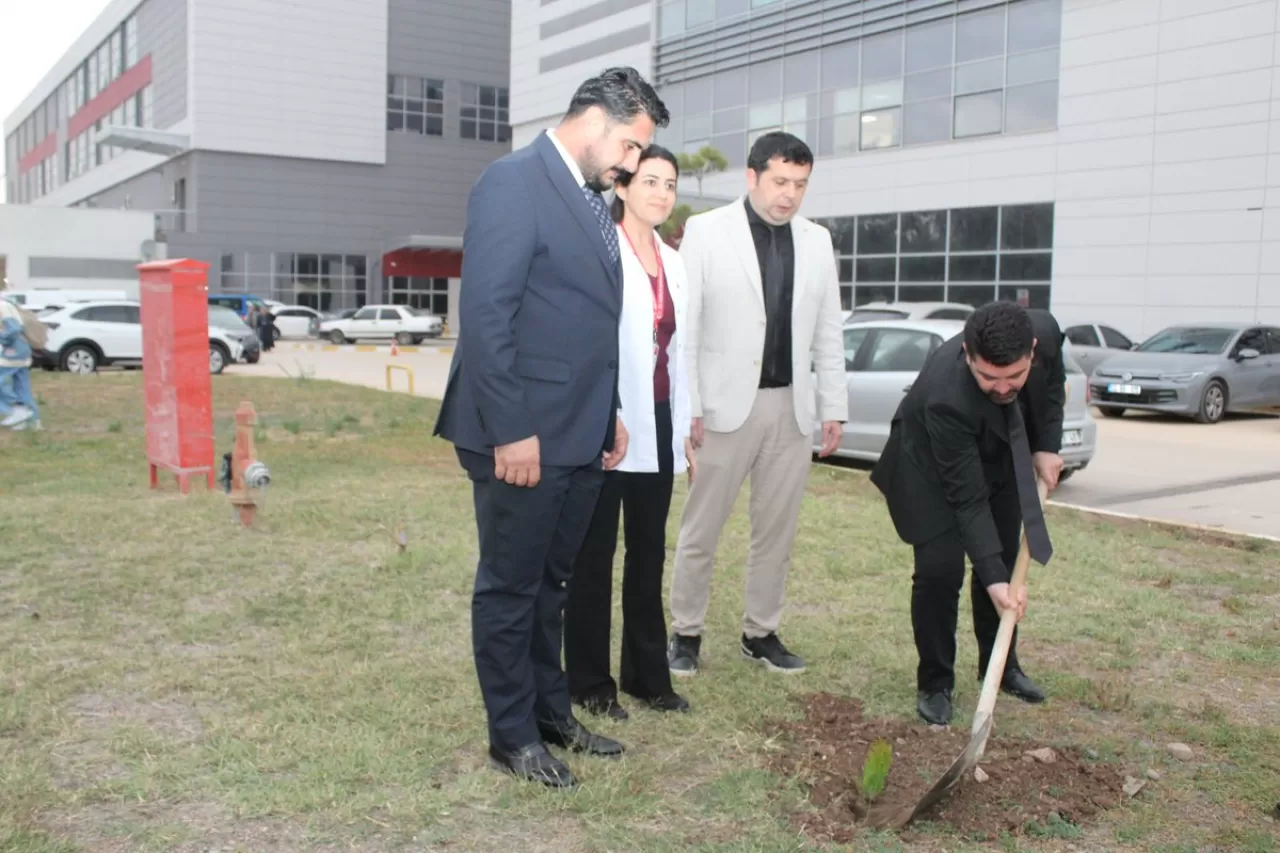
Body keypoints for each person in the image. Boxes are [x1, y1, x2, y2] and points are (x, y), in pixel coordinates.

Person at [433, 67, 668, 790]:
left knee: (551, 585)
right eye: (632, 146)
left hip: (580, 433)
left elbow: (581, 321)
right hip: (521, 435)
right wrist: (511, 430)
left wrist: (612, 413)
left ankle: (549, 712)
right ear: (597, 120)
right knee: (511, 588)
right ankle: (511, 737)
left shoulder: (589, 198)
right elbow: (487, 319)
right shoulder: (513, 181)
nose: (634, 164)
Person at [666, 131, 847, 678]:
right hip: (722, 409)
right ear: (752, 177)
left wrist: (832, 406)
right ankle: (685, 632)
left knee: (777, 532)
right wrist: (689, 405)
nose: (789, 194)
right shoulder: (705, 231)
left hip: (790, 409)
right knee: (702, 528)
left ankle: (760, 632)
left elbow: (828, 333)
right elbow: (688, 328)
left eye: (800, 184)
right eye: (780, 181)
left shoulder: (817, 241)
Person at [869, 301, 1066, 726]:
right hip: (931, 468)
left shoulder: (1046, 334)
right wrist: (996, 578)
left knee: (1002, 553)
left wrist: (1046, 444)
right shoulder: (946, 395)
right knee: (940, 572)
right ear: (968, 356)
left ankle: (1001, 666)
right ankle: (936, 682)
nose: (1002, 388)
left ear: (1032, 349)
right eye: (988, 378)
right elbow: (967, 498)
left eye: (1014, 376)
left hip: (1000, 454)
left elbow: (1051, 390)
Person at [563, 145, 694, 721]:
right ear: (622, 186)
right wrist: (604, 412)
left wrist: (687, 421)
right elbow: (589, 343)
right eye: (650, 181)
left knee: (648, 554)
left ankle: (647, 677)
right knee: (594, 556)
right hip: (608, 421)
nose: (662, 193)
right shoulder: (602, 251)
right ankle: (591, 684)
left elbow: (678, 351)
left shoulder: (675, 259)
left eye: (670, 184)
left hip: (660, 420)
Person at [0, 297, 40, 431]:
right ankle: (33, 421)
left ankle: (15, 409)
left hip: (13, 351)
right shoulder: (7, 304)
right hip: (21, 349)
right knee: (22, 387)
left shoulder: (2, 306)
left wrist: (2, 338)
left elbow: (14, 329)